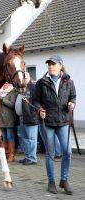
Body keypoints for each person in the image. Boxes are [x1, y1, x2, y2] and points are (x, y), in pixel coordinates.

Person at [34, 55, 76, 195]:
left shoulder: (68, 81)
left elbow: (73, 97)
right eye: (49, 64)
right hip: (47, 122)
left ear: (60, 66)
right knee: (50, 153)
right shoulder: (41, 82)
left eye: (53, 64)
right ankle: (51, 181)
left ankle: (64, 180)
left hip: (63, 121)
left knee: (67, 151)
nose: (50, 67)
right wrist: (40, 109)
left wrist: (72, 104)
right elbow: (35, 101)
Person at [15, 72, 39, 165]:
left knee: (31, 139)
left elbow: (36, 102)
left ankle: (32, 158)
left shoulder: (33, 87)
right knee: (24, 138)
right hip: (22, 117)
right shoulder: (21, 88)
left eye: (25, 77)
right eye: (22, 77)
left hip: (31, 117)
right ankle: (27, 156)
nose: (23, 79)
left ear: (29, 77)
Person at [0, 82, 18, 162]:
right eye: (4, 83)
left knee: (10, 137)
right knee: (4, 137)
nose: (4, 84)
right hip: (1, 118)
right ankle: (5, 154)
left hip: (9, 118)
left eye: (6, 83)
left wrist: (2, 99)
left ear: (10, 84)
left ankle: (11, 155)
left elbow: (12, 105)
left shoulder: (13, 92)